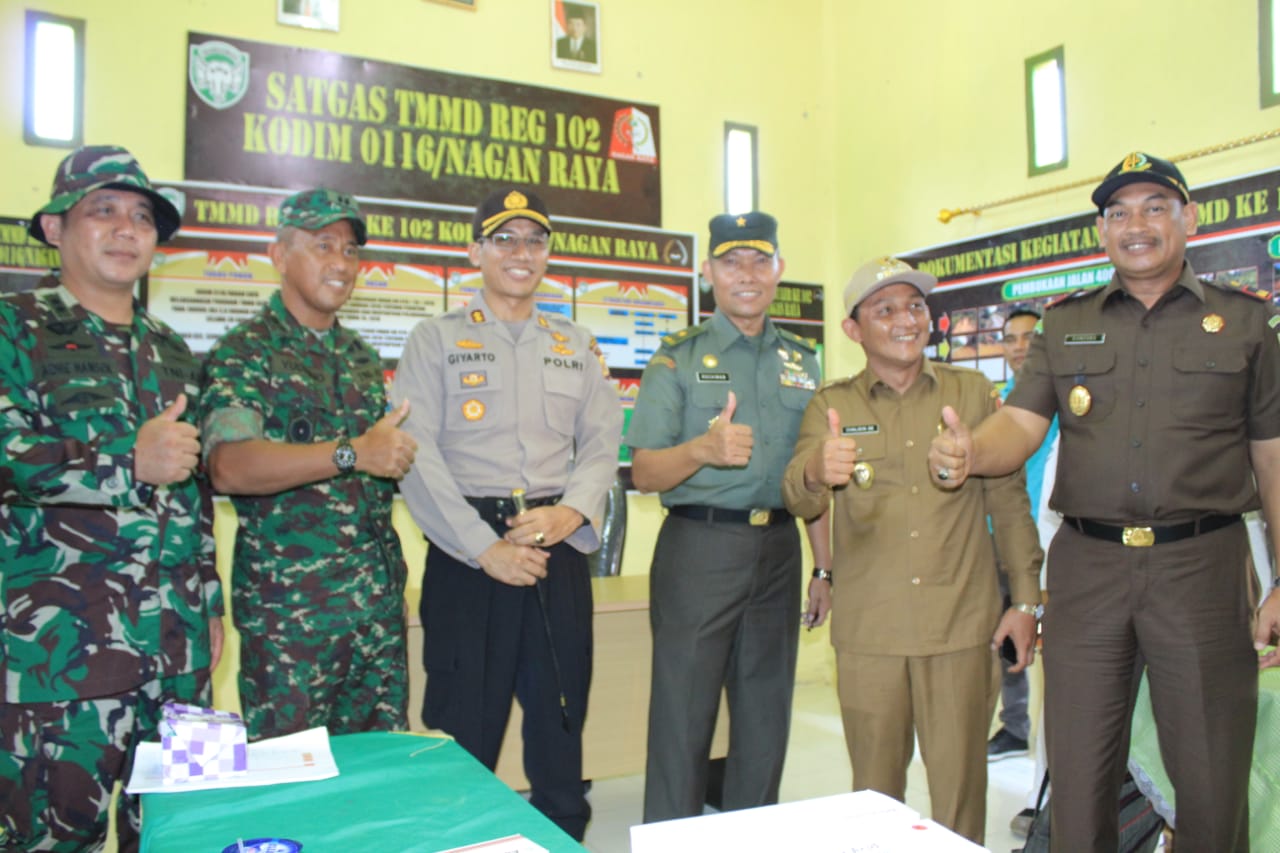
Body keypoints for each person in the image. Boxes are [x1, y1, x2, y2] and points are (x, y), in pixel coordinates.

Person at [929, 151, 1280, 851]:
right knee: (1081, 776)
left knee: (1212, 781)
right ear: (1101, 232)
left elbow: (1273, 457)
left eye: (1155, 207)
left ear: (1189, 218)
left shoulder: (1244, 326)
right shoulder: (1065, 325)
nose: (1136, 224)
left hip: (1203, 569)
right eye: (1117, 213)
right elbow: (1020, 427)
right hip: (1089, 572)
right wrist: (970, 452)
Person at [0, 145, 223, 852]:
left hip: (180, 660)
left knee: (183, 836)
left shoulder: (173, 349)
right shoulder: (14, 327)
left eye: (142, 217)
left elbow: (197, 493)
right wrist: (127, 461)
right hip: (61, 662)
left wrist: (210, 604)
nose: (127, 229)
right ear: (54, 227)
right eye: (103, 210)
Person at [782, 256, 1042, 845]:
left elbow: (1008, 501)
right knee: (875, 801)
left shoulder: (970, 392)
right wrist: (816, 472)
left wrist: (1025, 603)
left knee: (960, 797)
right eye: (886, 308)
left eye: (917, 306)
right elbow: (797, 496)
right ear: (854, 329)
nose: (907, 319)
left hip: (959, 629)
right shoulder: (832, 406)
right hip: (872, 634)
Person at [393, 188, 621, 841]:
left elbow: (603, 441)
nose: (521, 253)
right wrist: (481, 546)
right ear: (476, 251)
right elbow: (416, 454)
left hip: (556, 547)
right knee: (464, 732)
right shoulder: (435, 340)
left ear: (548, 253)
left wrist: (571, 512)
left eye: (535, 240)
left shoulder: (574, 342)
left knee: (560, 727)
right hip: (470, 557)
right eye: (505, 239)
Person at [628, 211, 831, 823]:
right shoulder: (678, 359)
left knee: (766, 721)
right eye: (732, 261)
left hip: (778, 553)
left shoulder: (803, 360)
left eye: (760, 260)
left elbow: (811, 475)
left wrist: (825, 568)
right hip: (700, 549)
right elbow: (643, 473)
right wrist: (702, 451)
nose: (747, 274)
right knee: (682, 721)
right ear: (708, 270)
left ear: (779, 270)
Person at [199, 188, 415, 741]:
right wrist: (353, 453)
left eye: (350, 250)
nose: (341, 264)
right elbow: (228, 465)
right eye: (324, 246)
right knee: (290, 782)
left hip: (375, 618)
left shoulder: (361, 358)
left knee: (377, 776)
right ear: (278, 255)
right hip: (293, 625)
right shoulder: (246, 352)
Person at [988, 307, 1061, 765]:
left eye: (1029, 337)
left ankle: (1050, 759)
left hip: (1049, 542)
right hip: (998, 538)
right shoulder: (998, 402)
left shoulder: (1057, 400)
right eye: (1011, 338)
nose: (1019, 346)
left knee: (1052, 648)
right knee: (1005, 637)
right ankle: (1014, 727)